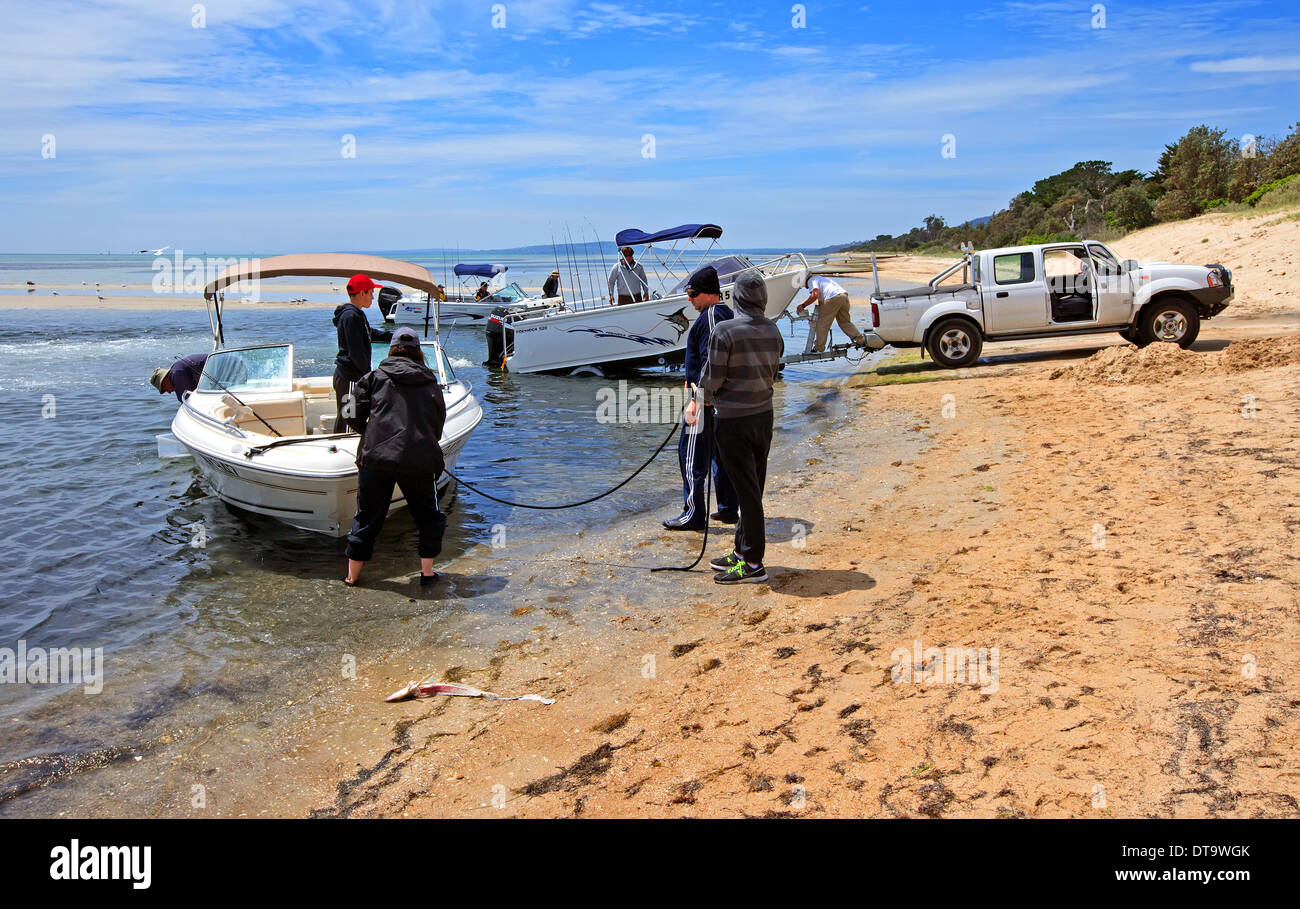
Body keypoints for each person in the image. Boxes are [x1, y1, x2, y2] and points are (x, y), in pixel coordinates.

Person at [343, 327, 448, 588]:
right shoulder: (430, 382)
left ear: (391, 349)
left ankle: (352, 577)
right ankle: (427, 574)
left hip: (376, 458)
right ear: (418, 352)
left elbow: (348, 411)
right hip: (419, 459)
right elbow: (438, 423)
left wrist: (370, 432)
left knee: (367, 517)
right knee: (428, 517)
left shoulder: (373, 377)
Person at [699, 271, 784, 584]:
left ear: (735, 298)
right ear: (762, 300)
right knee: (753, 487)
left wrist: (700, 399)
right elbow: (775, 371)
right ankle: (740, 553)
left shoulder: (724, 330)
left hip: (733, 421)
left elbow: (712, 379)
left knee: (746, 493)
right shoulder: (774, 330)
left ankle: (752, 564)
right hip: (764, 417)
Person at [663, 265, 738, 531]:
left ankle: (693, 514)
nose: (689, 299)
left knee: (690, 455)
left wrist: (699, 399)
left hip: (707, 400)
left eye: (692, 293)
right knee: (722, 455)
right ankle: (729, 509)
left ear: (708, 294)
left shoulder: (711, 317)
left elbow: (712, 361)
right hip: (725, 403)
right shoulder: (728, 314)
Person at [332, 273, 393, 432]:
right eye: (371, 292)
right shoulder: (351, 316)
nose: (373, 297)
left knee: (349, 416)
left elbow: (368, 333)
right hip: (350, 376)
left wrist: (392, 337)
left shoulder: (355, 314)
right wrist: (369, 376)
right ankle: (341, 449)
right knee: (348, 418)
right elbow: (356, 352)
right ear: (361, 293)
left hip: (350, 376)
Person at [798, 275, 868, 352]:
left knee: (822, 324)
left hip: (833, 297)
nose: (806, 287)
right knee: (845, 322)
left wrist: (803, 305)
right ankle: (861, 340)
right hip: (843, 296)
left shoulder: (811, 280)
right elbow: (821, 302)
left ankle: (819, 348)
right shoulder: (820, 279)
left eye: (804, 286)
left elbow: (814, 294)